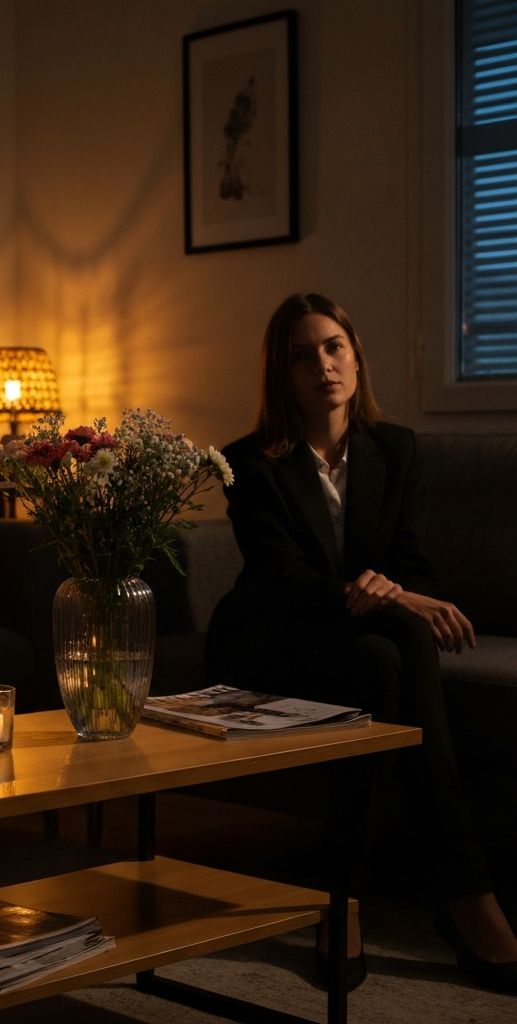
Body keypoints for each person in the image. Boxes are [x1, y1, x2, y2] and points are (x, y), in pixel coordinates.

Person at [204, 293, 517, 993]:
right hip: (272, 636)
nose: (321, 364)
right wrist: (393, 595)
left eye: (332, 347)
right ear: (280, 374)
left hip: (363, 640)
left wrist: (396, 592)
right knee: (390, 638)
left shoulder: (397, 449)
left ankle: (342, 893)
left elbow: (412, 562)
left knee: (381, 659)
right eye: (301, 354)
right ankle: (463, 892)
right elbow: (282, 578)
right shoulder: (249, 463)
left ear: (355, 355)